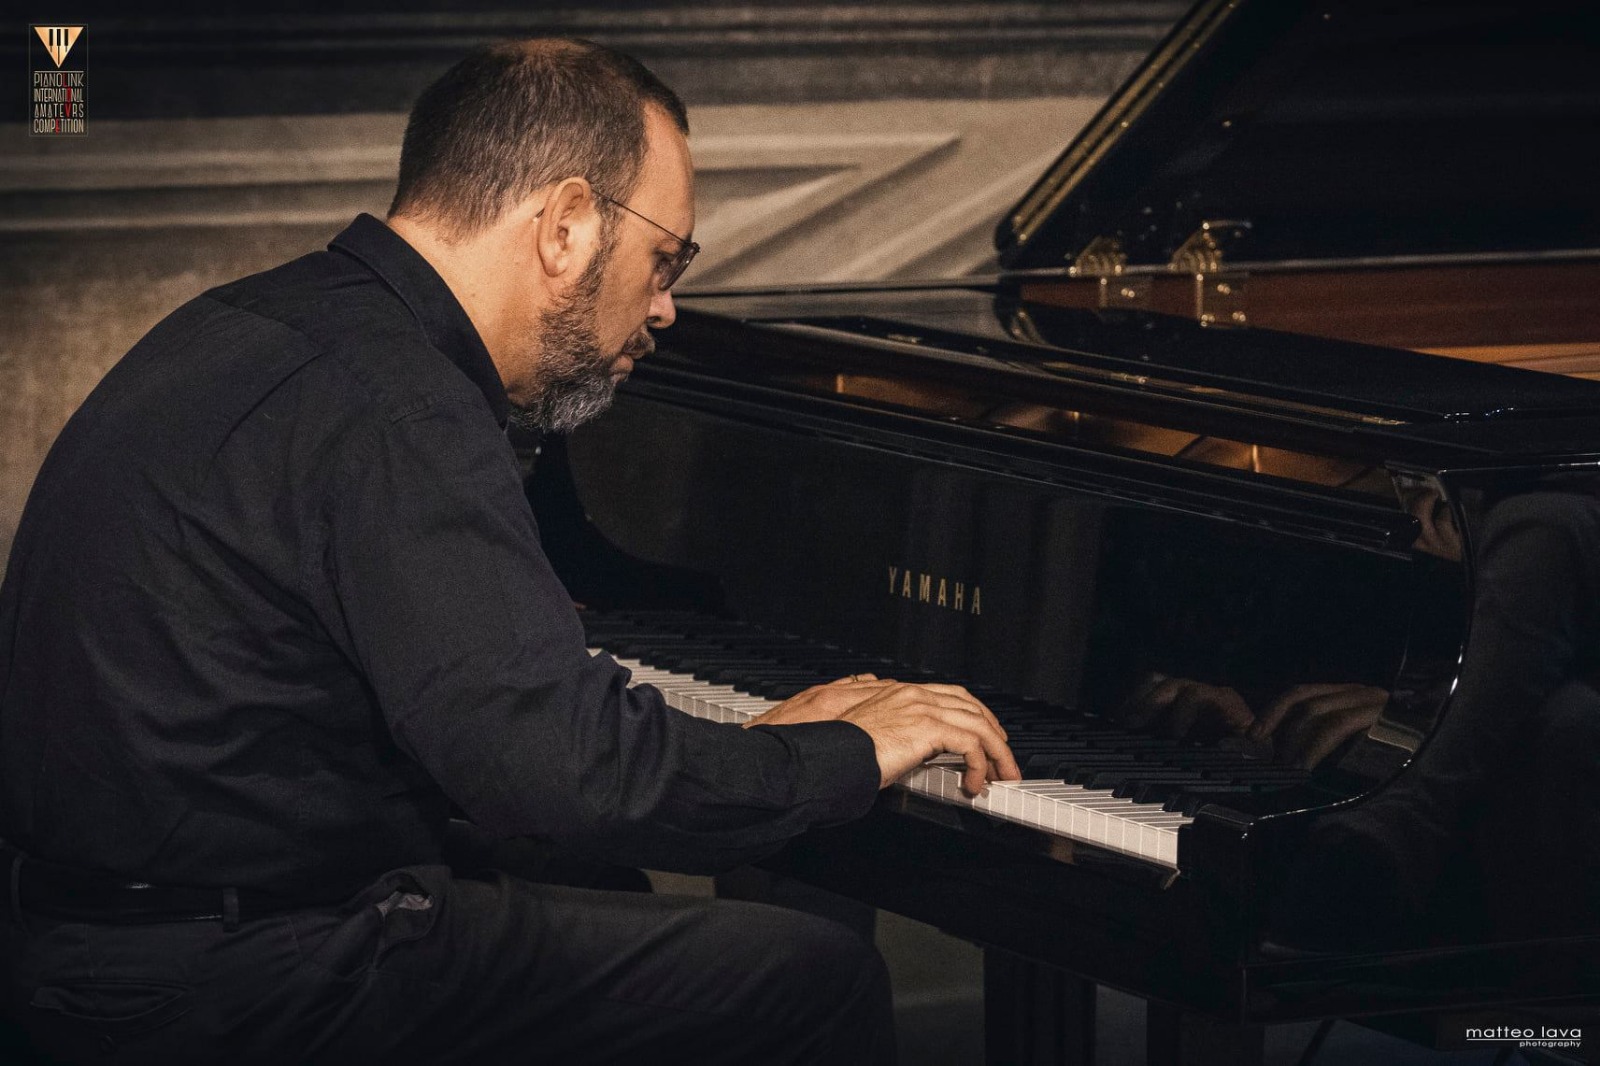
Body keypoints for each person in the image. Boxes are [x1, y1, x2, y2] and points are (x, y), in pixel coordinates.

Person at [0, 39, 1019, 1065]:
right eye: (666, 258)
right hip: (236, 982)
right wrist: (835, 756)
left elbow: (475, 722)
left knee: (596, 887)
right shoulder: (399, 403)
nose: (665, 306)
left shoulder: (268, 324)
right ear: (567, 225)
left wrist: (747, 751)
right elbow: (557, 770)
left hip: (88, 942)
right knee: (810, 975)